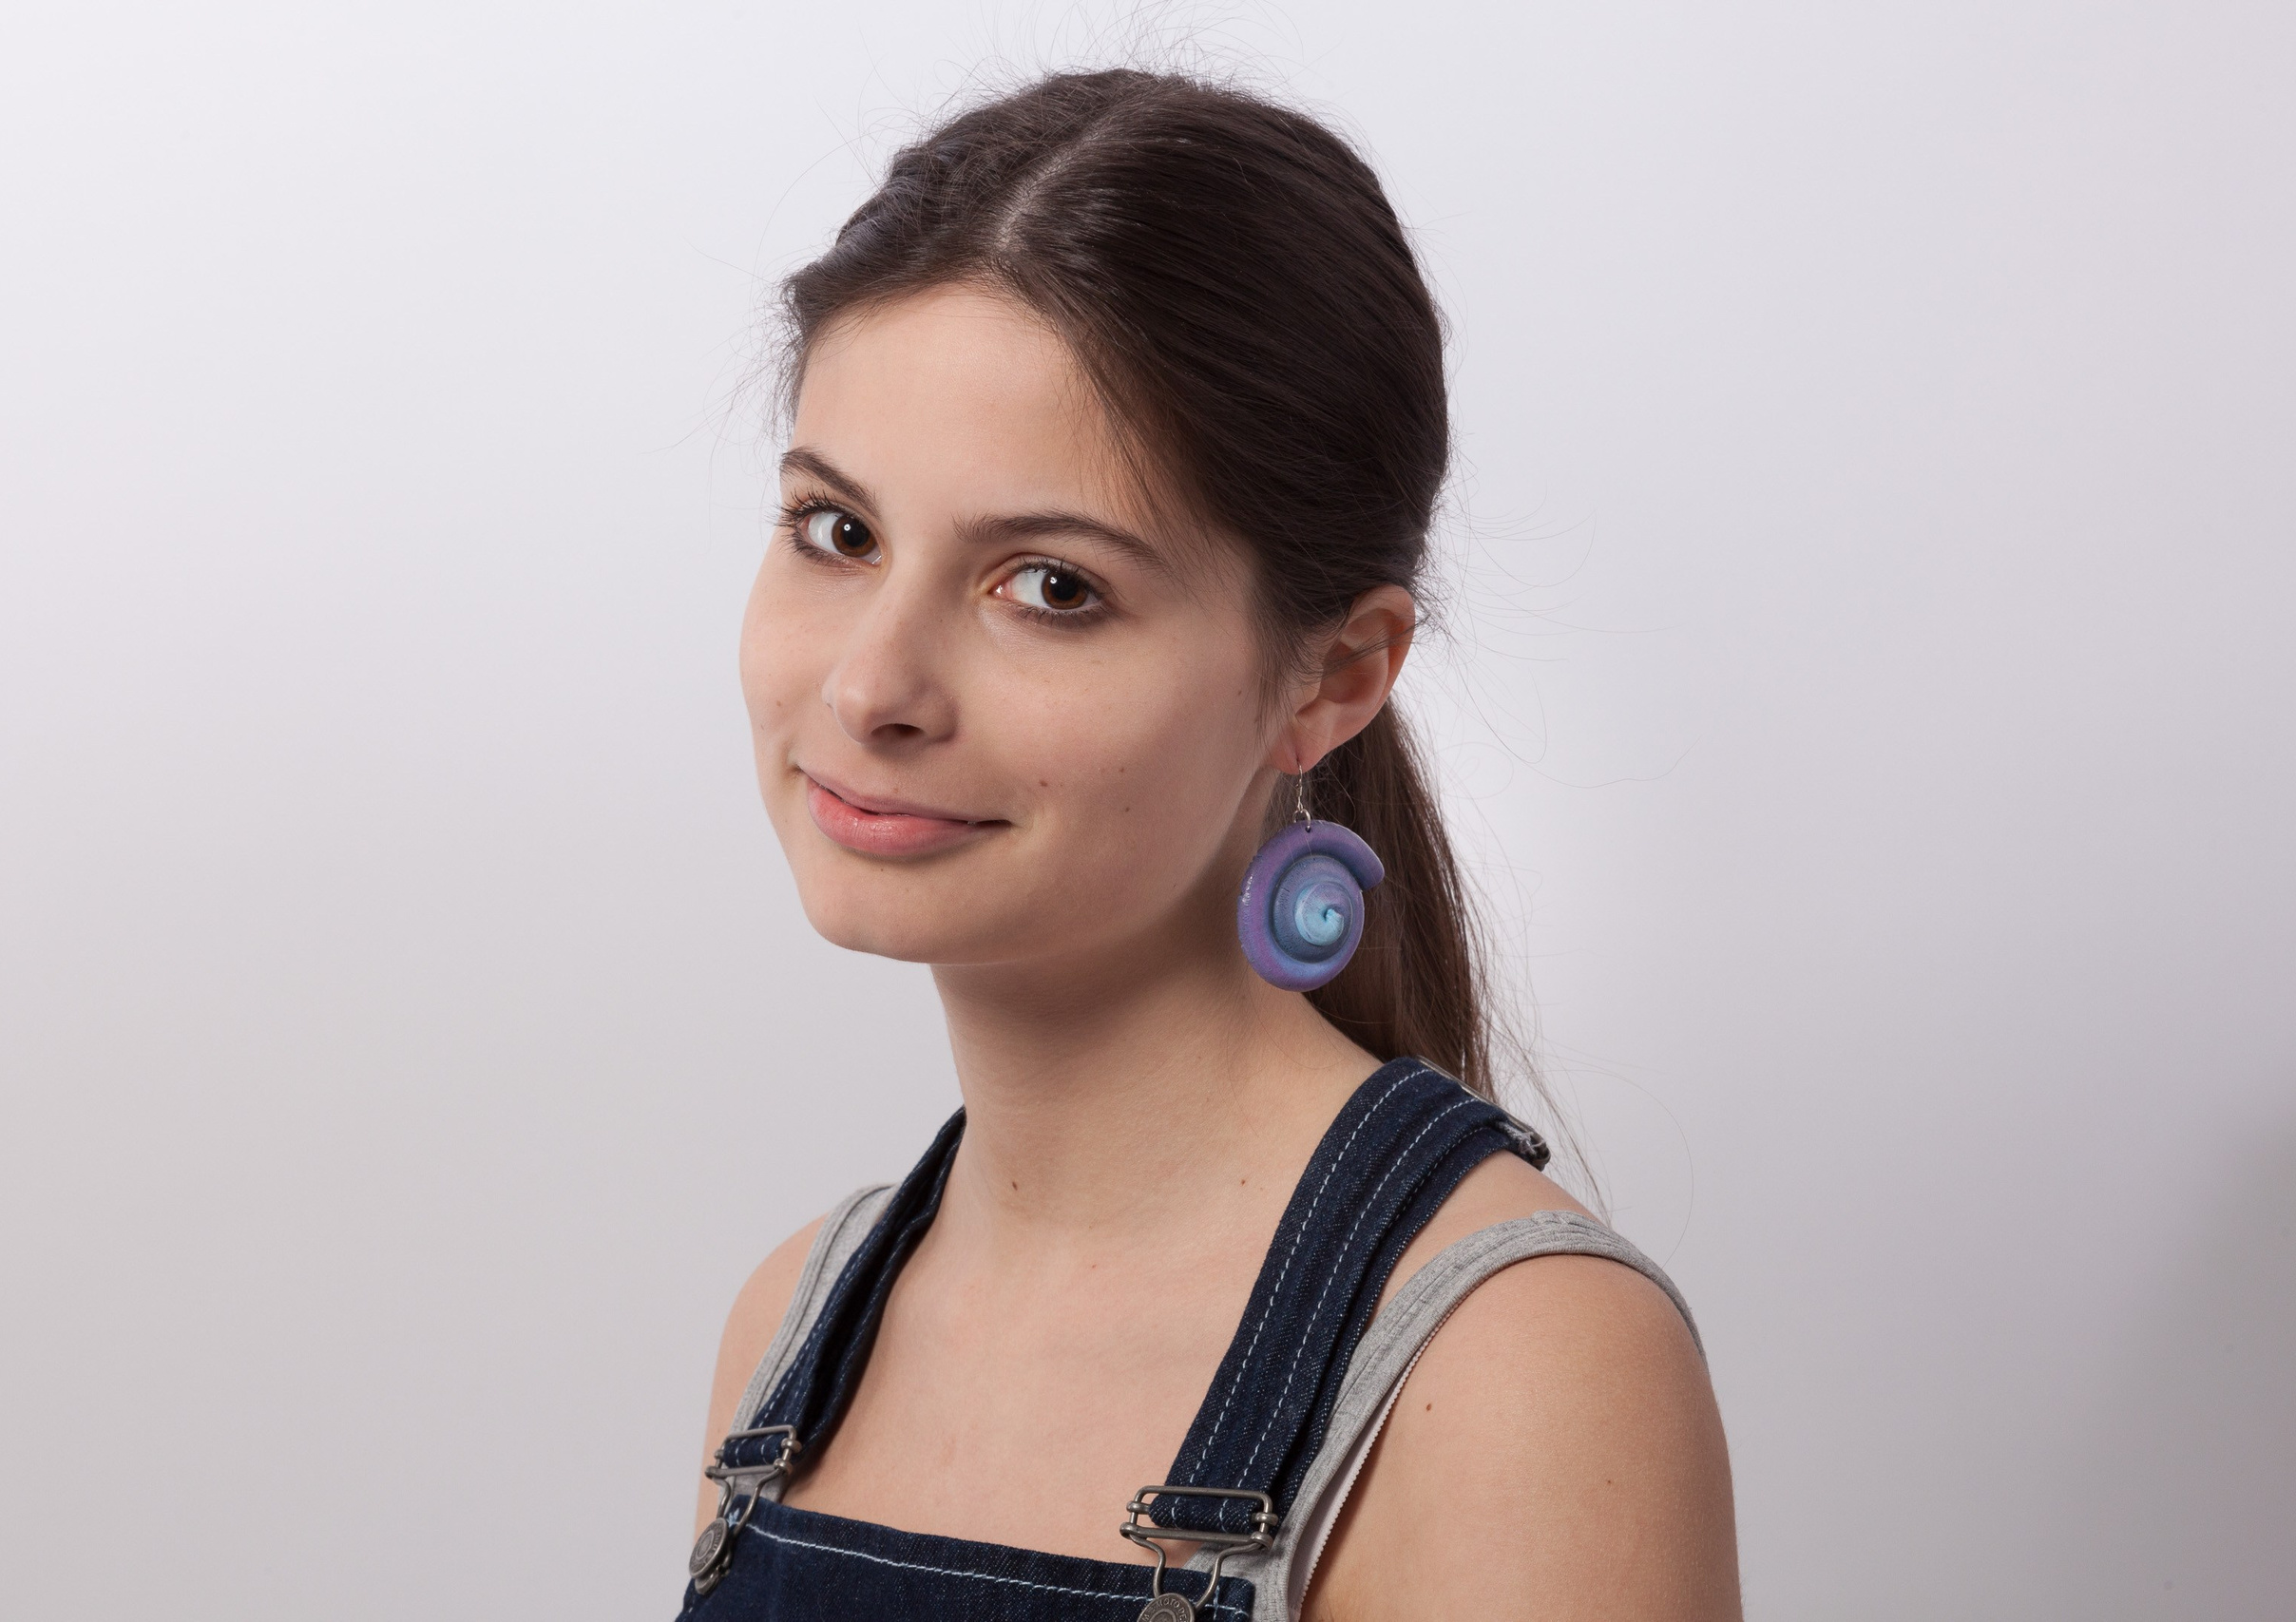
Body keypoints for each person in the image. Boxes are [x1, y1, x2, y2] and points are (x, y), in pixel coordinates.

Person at [690, 68, 1739, 1622]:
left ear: (1332, 680)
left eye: (1051, 587)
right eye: (838, 532)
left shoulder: (1516, 1370)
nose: (869, 688)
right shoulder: (795, 1329)